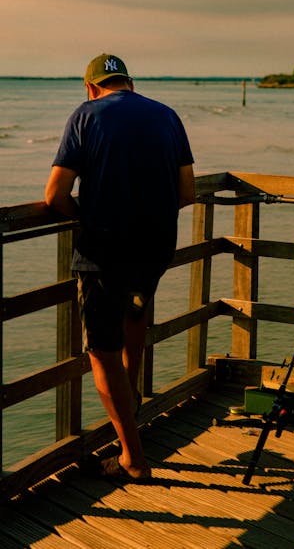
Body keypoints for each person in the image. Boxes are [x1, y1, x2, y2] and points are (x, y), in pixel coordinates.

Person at [45, 53, 195, 481]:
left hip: (103, 253)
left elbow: (55, 194)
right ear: (130, 83)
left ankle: (133, 456)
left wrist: (86, 214)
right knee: (134, 324)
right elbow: (186, 193)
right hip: (155, 249)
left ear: (91, 87)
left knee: (102, 353)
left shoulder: (86, 115)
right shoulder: (166, 116)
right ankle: (134, 421)